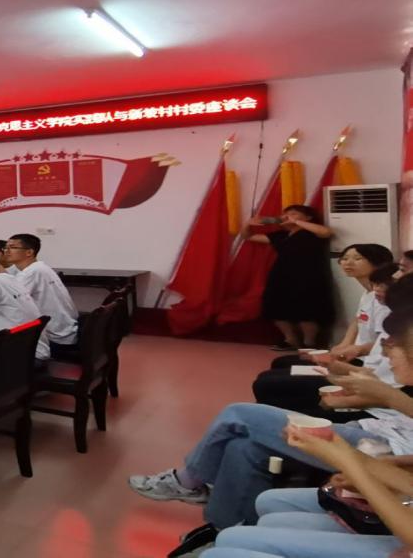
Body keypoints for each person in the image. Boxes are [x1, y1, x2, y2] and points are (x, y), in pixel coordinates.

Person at [127, 308, 413, 553]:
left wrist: (353, 461)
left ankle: (189, 481)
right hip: (379, 431)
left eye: (394, 344)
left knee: (239, 414)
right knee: (244, 447)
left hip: (384, 444)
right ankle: (222, 527)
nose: (385, 348)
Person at [251, 248, 395, 420]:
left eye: (357, 258)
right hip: (363, 369)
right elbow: (358, 323)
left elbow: (385, 380)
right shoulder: (371, 296)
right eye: (344, 258)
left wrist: (346, 366)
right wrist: (344, 347)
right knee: (276, 371)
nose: (348, 263)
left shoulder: (389, 309)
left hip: (369, 383)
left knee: (269, 384)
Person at [241, 205, 335, 350]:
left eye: (293, 213)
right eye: (285, 214)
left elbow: (326, 232)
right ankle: (290, 340)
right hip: (281, 273)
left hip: (308, 274)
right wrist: (248, 224)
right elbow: (248, 237)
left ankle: (309, 343)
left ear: (308, 217)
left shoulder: (312, 233)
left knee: (307, 309)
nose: (286, 216)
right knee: (275, 307)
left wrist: (296, 222)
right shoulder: (281, 235)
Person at [2, 233, 79, 348]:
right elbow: (6, 277)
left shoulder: (33, 272)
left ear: (29, 252)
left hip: (55, 338)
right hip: (65, 331)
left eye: (12, 247)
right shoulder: (37, 267)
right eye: (5, 248)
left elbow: (7, 299)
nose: (6, 251)